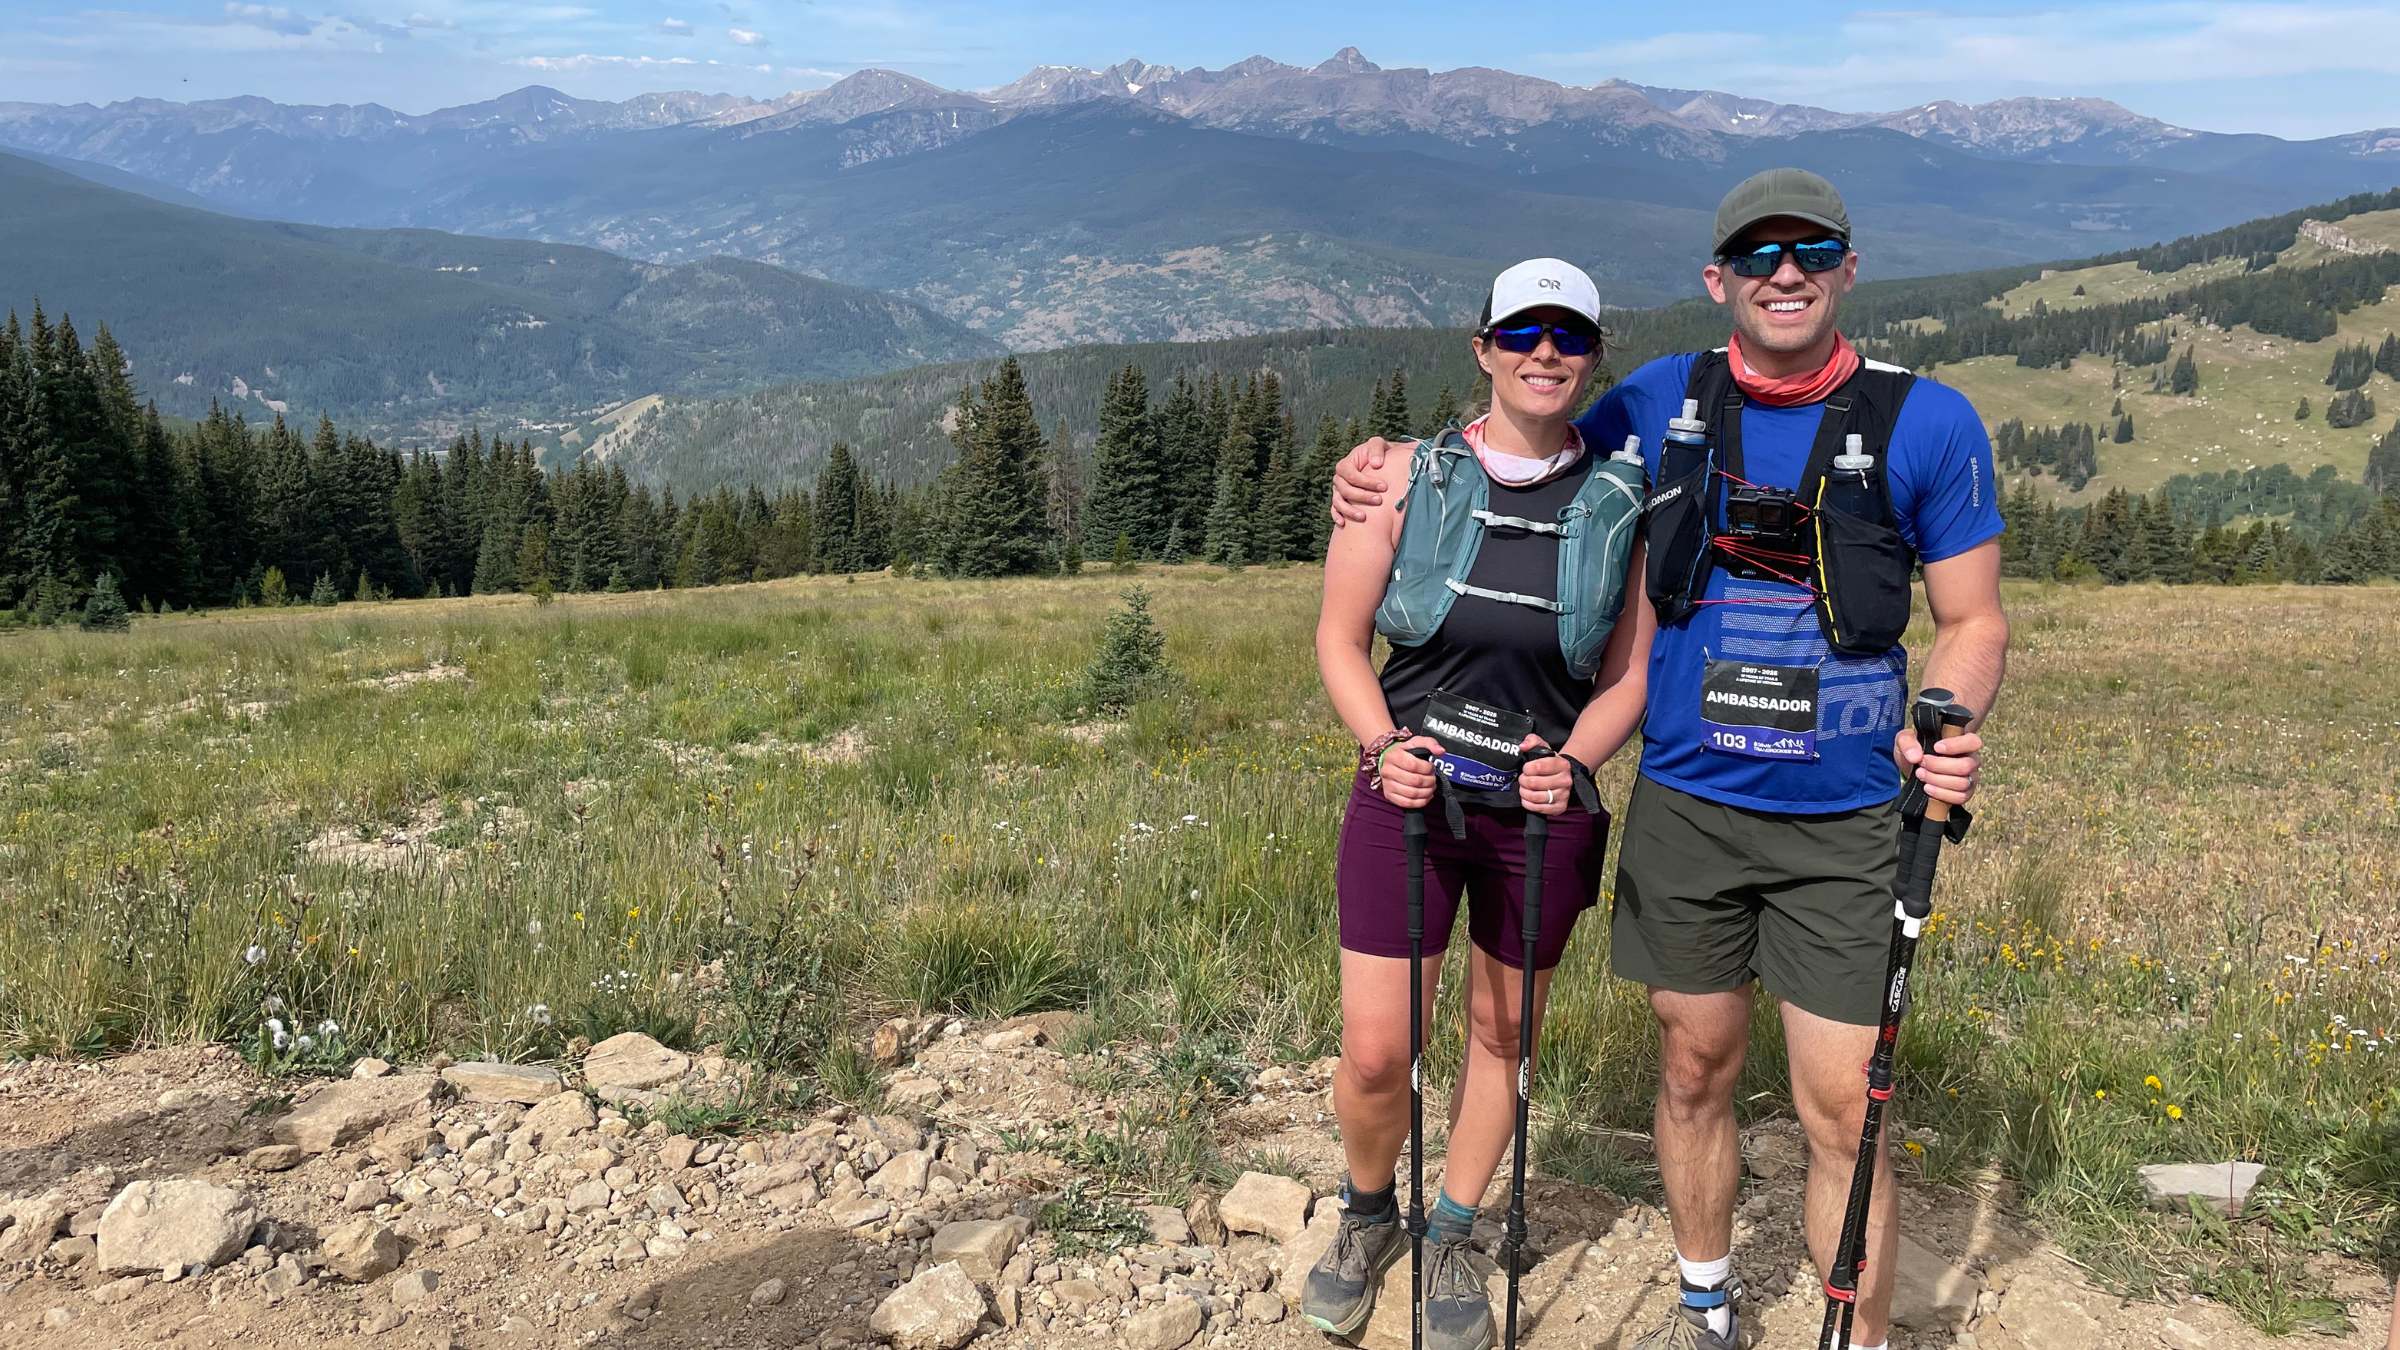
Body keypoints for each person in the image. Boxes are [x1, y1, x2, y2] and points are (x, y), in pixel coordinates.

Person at [1331, 169, 2008, 1350]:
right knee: (1693, 1063)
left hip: (1849, 810)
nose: (1784, 272)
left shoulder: (1928, 422)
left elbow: (1975, 619)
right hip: (1689, 803)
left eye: (1810, 251)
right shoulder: (1654, 399)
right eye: (1758, 255)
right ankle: (1706, 1302)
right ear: (1719, 280)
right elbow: (1512, 440)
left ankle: (1858, 1335)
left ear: (1849, 268)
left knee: (1846, 1103)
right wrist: (1383, 458)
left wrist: (1943, 718)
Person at [1308, 257, 1651, 1350]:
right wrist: (1380, 743)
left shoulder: (1621, 497)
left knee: (1504, 1031)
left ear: (1594, 356)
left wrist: (1578, 761)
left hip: (1538, 811)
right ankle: (1370, 1212)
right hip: (1405, 794)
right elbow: (1339, 637)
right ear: (1484, 347)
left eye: (1568, 337)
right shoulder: (1403, 477)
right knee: (1377, 1048)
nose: (1544, 353)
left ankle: (1453, 1226)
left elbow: (1630, 674)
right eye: (1522, 333)